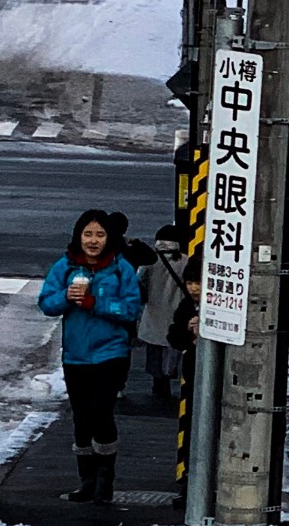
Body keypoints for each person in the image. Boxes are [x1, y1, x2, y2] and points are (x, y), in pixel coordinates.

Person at [39, 208, 144, 503]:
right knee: (81, 418)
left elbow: (131, 309)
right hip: (75, 355)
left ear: (109, 238)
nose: (93, 241)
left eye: (100, 234)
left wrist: (94, 303)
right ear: (78, 236)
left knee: (101, 411)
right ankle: (85, 478)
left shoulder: (121, 268)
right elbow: (46, 303)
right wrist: (66, 298)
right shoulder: (66, 266)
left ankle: (104, 478)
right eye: (88, 234)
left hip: (111, 352)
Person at [137, 224, 186, 405]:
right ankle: (170, 377)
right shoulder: (186, 261)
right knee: (172, 351)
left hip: (154, 313)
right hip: (177, 314)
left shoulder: (149, 262)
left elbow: (139, 284)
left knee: (154, 353)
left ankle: (159, 386)